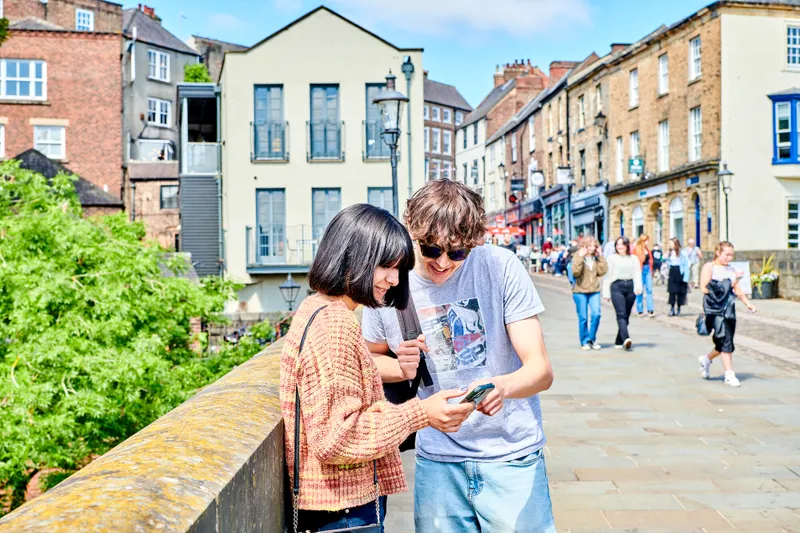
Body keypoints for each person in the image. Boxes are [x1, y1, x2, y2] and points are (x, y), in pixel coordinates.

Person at [362, 179, 556, 533]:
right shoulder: (390, 282)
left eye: (457, 253)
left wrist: (502, 386)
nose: (443, 262)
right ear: (413, 233)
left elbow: (540, 370)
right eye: (431, 249)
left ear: (474, 242)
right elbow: (369, 359)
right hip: (438, 461)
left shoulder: (500, 267)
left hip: (512, 456)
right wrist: (399, 365)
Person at [280, 204, 474, 532]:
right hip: (344, 512)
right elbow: (335, 438)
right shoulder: (335, 322)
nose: (394, 279)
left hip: (334, 507)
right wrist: (421, 414)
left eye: (398, 268)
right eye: (385, 266)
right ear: (352, 256)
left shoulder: (316, 308)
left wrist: (400, 369)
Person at [698, 242, 757, 387]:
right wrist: (725, 285)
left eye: (731, 255)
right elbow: (704, 288)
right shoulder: (709, 267)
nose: (729, 258)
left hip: (728, 309)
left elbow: (737, 290)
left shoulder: (731, 270)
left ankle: (706, 360)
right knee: (725, 339)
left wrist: (748, 303)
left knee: (724, 342)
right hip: (714, 309)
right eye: (727, 254)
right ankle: (729, 374)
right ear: (718, 252)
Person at [602, 236, 643, 350]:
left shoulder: (633, 258)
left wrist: (638, 287)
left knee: (627, 315)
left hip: (630, 286)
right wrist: (606, 293)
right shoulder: (611, 258)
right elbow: (607, 276)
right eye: (618, 244)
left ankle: (619, 340)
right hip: (616, 286)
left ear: (627, 246)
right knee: (621, 314)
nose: (620, 247)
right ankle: (626, 338)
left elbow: (637, 273)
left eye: (622, 244)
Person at [571, 236, 608, 350]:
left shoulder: (596, 259)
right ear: (584, 246)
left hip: (594, 291)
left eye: (594, 246)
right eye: (590, 246)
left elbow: (602, 271)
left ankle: (592, 338)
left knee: (596, 314)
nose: (592, 248)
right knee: (583, 317)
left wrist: (601, 256)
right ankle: (584, 340)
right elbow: (575, 273)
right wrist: (581, 257)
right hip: (580, 291)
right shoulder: (577, 256)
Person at [667, 238, 690, 316]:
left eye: (671, 243)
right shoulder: (669, 252)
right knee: (672, 292)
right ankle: (672, 308)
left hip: (680, 272)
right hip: (672, 272)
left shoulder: (682, 253)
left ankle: (679, 308)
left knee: (680, 292)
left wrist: (686, 277)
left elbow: (686, 265)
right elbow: (663, 259)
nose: (670, 245)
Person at [634, 235, 655, 318]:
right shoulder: (636, 249)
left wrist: (651, 269)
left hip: (647, 270)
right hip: (640, 270)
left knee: (649, 289)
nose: (648, 242)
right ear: (642, 241)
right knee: (640, 290)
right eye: (646, 240)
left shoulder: (647, 249)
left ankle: (650, 309)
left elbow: (650, 260)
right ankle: (640, 310)